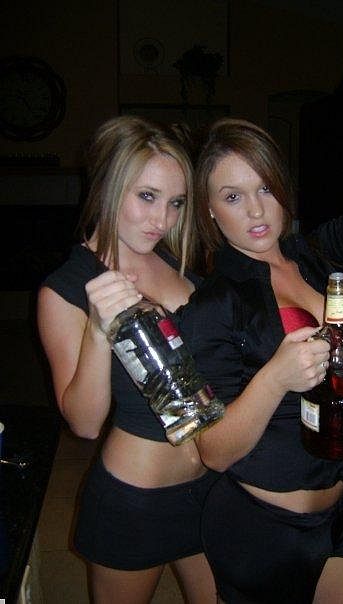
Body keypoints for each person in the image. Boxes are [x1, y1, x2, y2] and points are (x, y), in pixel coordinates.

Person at [178, 24, 343, 603]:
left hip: (337, 514)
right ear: (210, 211)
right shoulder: (211, 306)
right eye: (232, 196)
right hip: (260, 528)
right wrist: (274, 378)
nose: (256, 211)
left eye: (265, 188)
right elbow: (212, 450)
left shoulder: (316, 253)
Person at [37, 115, 218, 603]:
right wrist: (99, 333)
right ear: (108, 187)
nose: (162, 220)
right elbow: (84, 423)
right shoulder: (66, 289)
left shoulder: (176, 263)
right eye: (147, 196)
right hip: (136, 500)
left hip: (210, 485)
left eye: (176, 202)